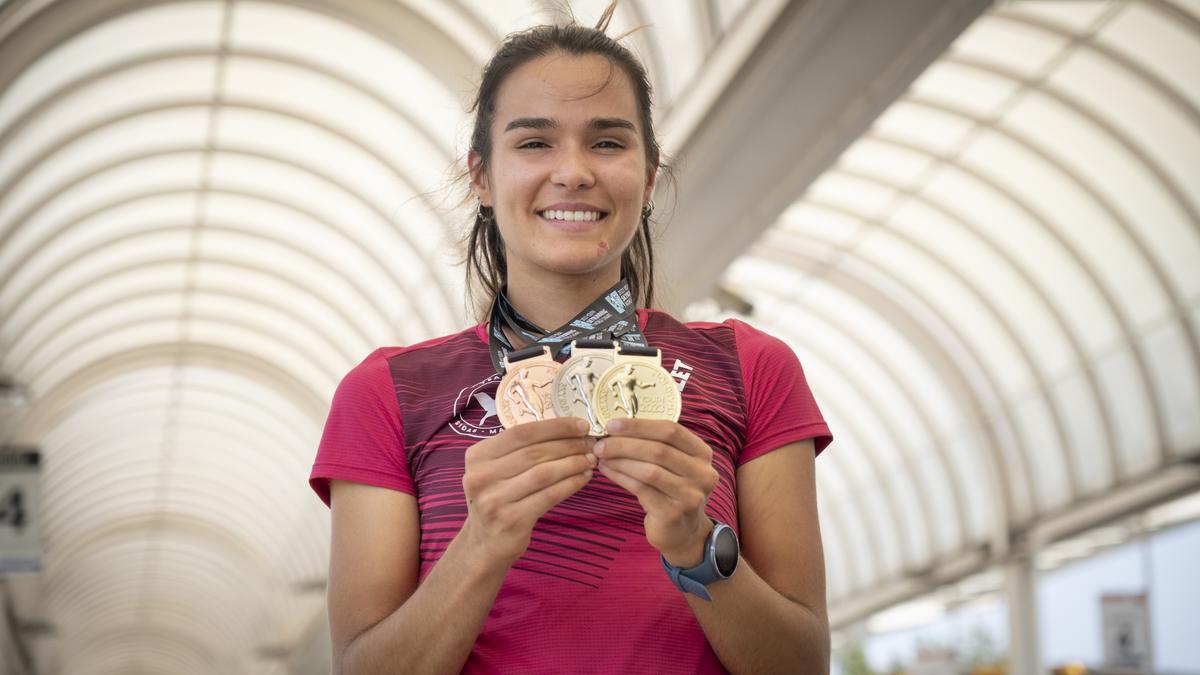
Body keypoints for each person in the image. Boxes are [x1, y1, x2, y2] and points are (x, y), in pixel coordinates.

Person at [309, 3, 833, 673]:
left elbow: (803, 663)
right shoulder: (386, 391)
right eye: (534, 142)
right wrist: (484, 541)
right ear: (481, 176)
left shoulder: (750, 366)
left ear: (647, 178)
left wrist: (696, 544)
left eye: (608, 141)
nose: (575, 171)